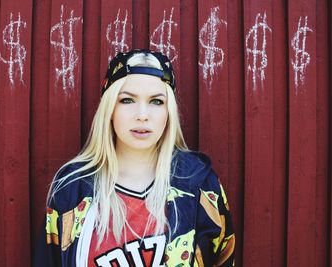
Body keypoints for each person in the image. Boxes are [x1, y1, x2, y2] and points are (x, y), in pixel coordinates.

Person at [34, 49, 235, 267]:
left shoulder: (200, 185)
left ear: (169, 112)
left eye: (156, 102)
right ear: (109, 108)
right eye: (127, 100)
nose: (142, 114)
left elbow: (223, 258)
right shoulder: (72, 189)